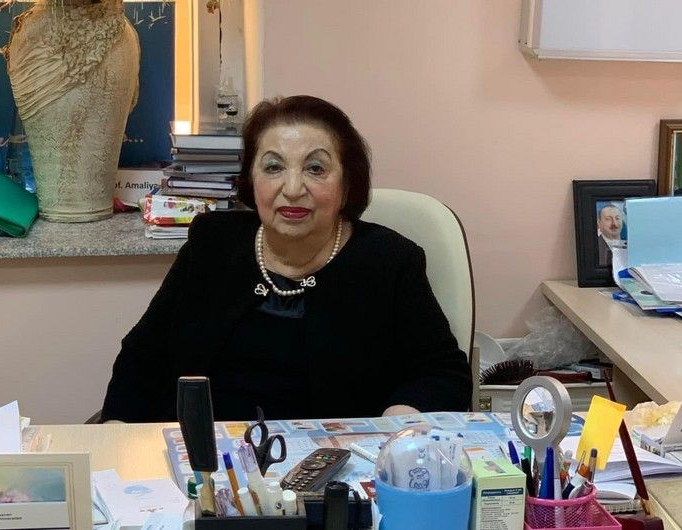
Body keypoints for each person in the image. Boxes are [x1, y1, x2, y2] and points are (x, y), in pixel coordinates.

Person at [101, 95, 472, 422]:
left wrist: (399, 419)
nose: (293, 189)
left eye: (315, 168)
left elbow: (443, 372)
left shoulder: (389, 261)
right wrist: (117, 429)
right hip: (206, 459)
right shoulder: (213, 243)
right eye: (274, 167)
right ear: (251, 180)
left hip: (336, 465)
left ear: (347, 186)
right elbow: (143, 356)